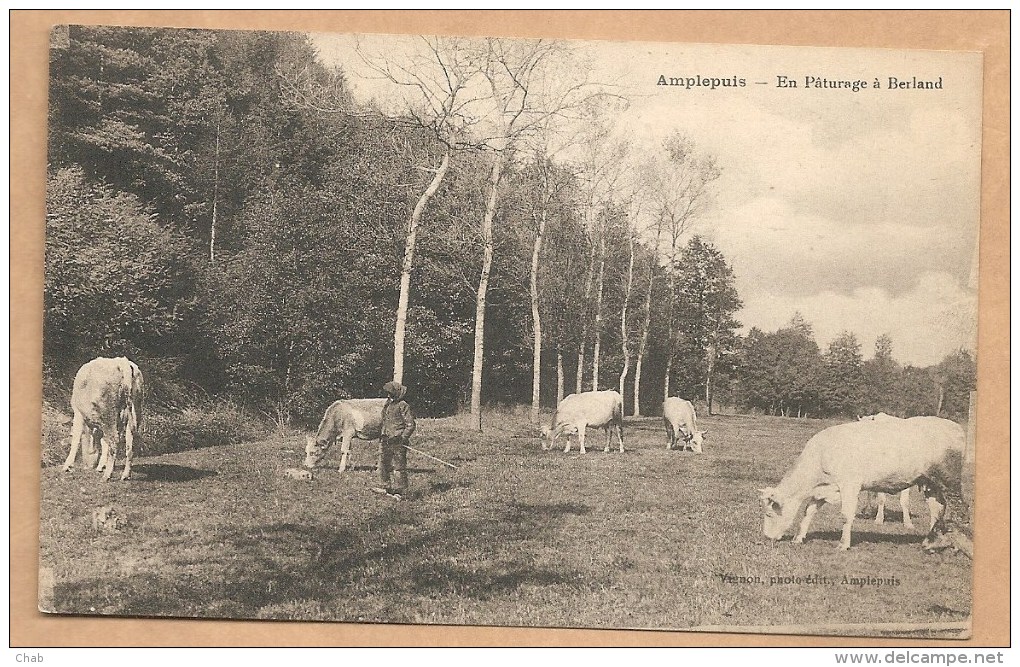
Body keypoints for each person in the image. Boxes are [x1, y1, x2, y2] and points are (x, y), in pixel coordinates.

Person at [372, 380, 416, 500]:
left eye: (390, 393)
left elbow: (410, 425)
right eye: (387, 393)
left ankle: (399, 491)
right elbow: (385, 421)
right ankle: (385, 486)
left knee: (398, 466)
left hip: (398, 441)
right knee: (383, 463)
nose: (388, 395)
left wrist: (402, 437)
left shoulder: (403, 405)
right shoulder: (388, 404)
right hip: (386, 439)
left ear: (396, 393)